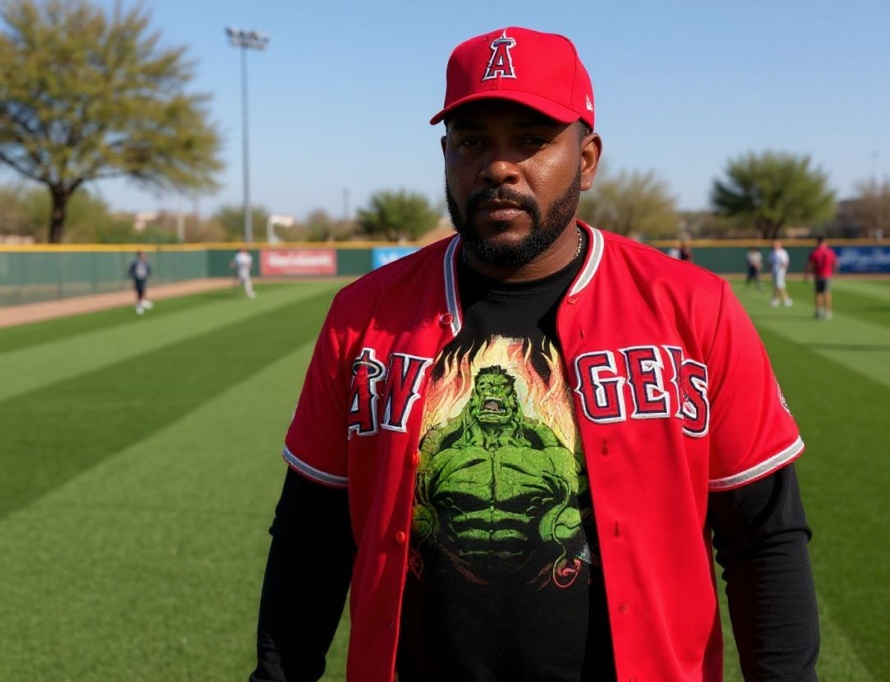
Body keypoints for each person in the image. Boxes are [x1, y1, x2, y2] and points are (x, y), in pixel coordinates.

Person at [250, 27, 819, 682]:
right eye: (473, 141)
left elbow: (764, 539)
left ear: (587, 158)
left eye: (531, 139)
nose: (498, 166)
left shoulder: (696, 309)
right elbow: (310, 542)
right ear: (445, 156)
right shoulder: (363, 317)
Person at [804, 236, 838, 319]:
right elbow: (835, 263)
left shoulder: (815, 252)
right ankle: (826, 312)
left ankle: (820, 311)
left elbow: (810, 265)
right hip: (826, 275)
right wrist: (835, 272)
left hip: (819, 275)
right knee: (826, 293)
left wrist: (806, 275)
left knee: (820, 293)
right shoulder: (830, 252)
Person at [127, 250, 153, 315]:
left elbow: (148, 269)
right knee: (139, 291)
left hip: (143, 278)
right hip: (137, 279)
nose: (143, 256)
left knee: (143, 289)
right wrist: (133, 277)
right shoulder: (135, 262)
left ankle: (143, 301)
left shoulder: (145, 262)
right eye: (142, 254)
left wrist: (148, 274)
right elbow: (131, 271)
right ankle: (139, 305)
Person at [768, 239, 793, 307]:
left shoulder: (783, 252)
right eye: (774, 244)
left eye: (777, 244)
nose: (775, 245)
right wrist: (770, 269)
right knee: (777, 284)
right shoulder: (772, 252)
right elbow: (770, 262)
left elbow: (785, 262)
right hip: (774, 270)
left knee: (779, 284)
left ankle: (786, 299)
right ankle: (776, 299)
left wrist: (782, 268)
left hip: (780, 270)